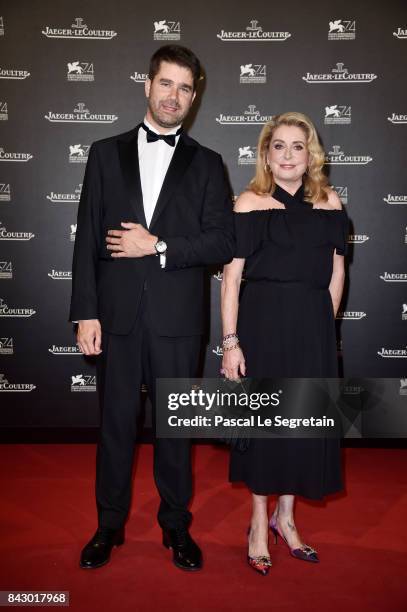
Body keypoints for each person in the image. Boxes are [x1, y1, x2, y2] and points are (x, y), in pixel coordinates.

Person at [70, 45, 234, 572]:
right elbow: (87, 240)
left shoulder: (208, 164)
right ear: (147, 85)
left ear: (194, 96)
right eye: (166, 84)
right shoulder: (104, 152)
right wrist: (85, 312)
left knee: (175, 431)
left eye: (185, 88)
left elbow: (220, 242)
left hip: (178, 323)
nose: (174, 97)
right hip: (115, 317)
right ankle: (108, 525)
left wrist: (157, 245)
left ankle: (175, 527)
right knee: (115, 425)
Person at [220, 112, 348, 575]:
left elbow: (337, 274)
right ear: (267, 154)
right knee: (263, 428)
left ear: (310, 154)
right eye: (279, 146)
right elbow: (231, 280)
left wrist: (322, 326)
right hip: (262, 326)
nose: (288, 154)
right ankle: (258, 523)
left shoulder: (330, 203)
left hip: (311, 329)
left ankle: (285, 518)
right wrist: (231, 342)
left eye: (298, 146)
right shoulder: (250, 202)